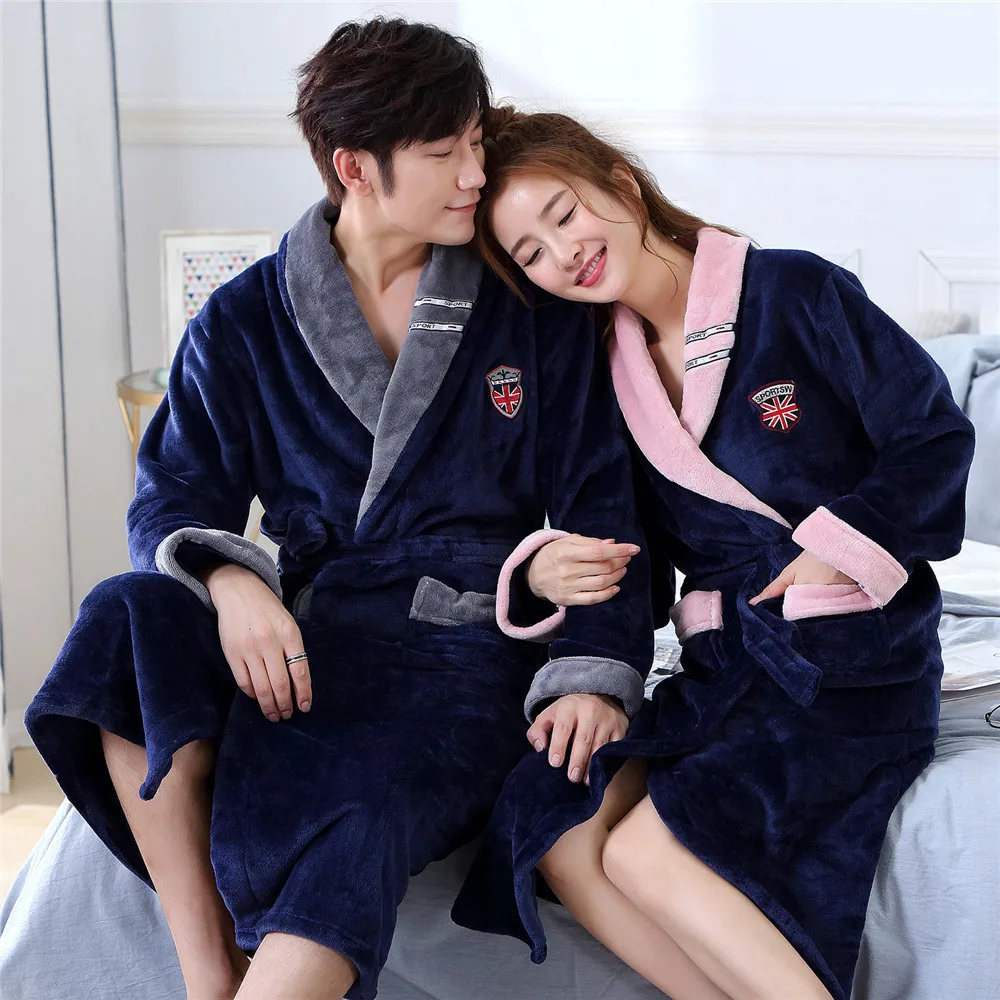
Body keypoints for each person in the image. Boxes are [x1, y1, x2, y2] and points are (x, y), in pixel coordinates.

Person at [24, 28, 653, 1000]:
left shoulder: (526, 301)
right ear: (356, 167)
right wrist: (231, 580)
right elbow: (174, 493)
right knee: (124, 617)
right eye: (444, 153)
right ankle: (208, 971)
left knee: (356, 802)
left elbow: (599, 504)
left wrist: (592, 672)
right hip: (313, 639)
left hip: (467, 645)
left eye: (476, 143)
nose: (475, 174)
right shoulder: (246, 319)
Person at [452, 109, 976, 1000]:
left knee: (645, 852)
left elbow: (933, 439)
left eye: (564, 214)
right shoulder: (604, 373)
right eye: (531, 253)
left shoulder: (795, 292)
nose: (563, 253)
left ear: (621, 183)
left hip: (849, 655)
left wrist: (837, 546)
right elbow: (626, 555)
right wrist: (591, 674)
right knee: (561, 833)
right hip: (726, 663)